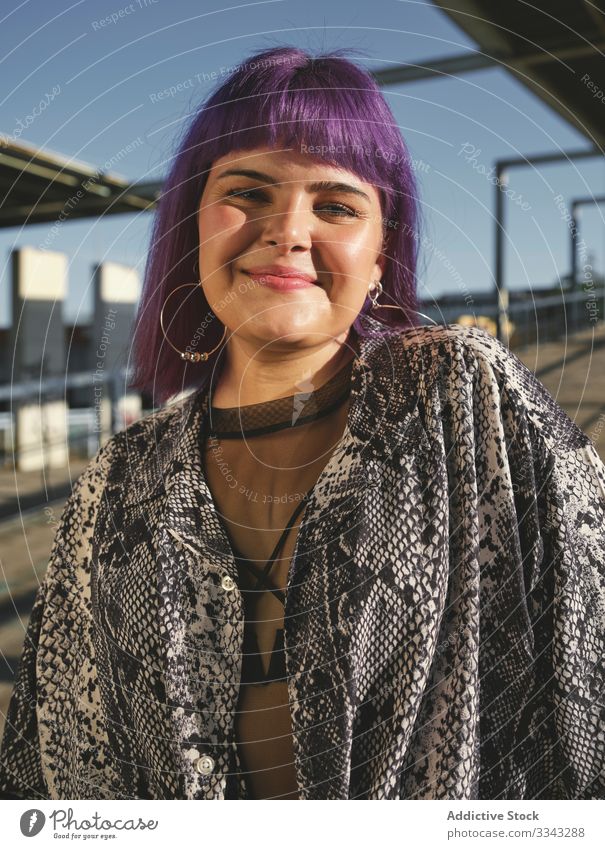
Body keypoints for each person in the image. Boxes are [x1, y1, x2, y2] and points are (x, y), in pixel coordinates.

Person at [1, 45, 604, 801]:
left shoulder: (462, 396)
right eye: (246, 192)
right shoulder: (118, 479)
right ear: (191, 225)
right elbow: (44, 764)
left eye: (336, 205)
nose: (287, 230)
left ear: (381, 253)